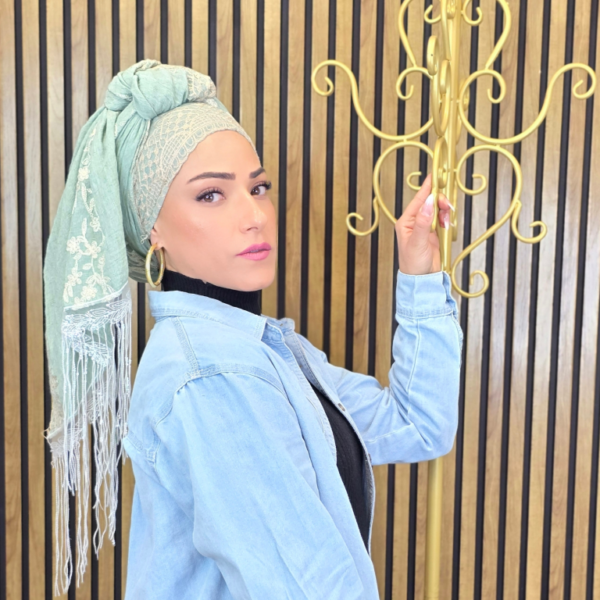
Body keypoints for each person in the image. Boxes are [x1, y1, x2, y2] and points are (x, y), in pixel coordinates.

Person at [43, 59, 463, 599]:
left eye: (258, 187)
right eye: (211, 195)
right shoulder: (212, 375)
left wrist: (420, 272)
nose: (255, 215)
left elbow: (418, 425)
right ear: (153, 228)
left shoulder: (262, 349)